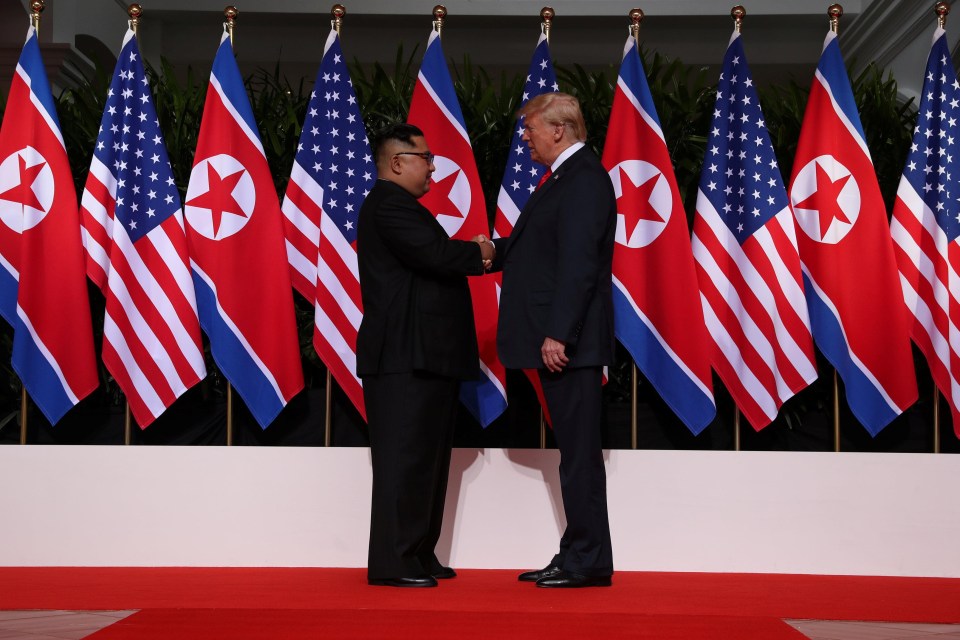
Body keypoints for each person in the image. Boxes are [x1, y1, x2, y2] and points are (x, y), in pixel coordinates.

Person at [356, 123, 494, 588]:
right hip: (402, 357)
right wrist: (484, 251)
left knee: (428, 461)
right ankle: (394, 562)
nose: (433, 165)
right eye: (425, 156)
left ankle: (417, 552)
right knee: (404, 460)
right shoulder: (388, 204)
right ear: (397, 162)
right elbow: (436, 255)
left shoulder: (403, 206)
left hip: (425, 356)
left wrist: (478, 251)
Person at [491, 93, 616, 588]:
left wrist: (558, 333)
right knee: (573, 455)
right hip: (563, 341)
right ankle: (576, 554)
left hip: (571, 345)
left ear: (558, 130)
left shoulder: (583, 179)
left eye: (530, 129)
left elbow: (580, 266)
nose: (526, 138)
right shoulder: (566, 179)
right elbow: (534, 252)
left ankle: (588, 561)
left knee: (579, 456)